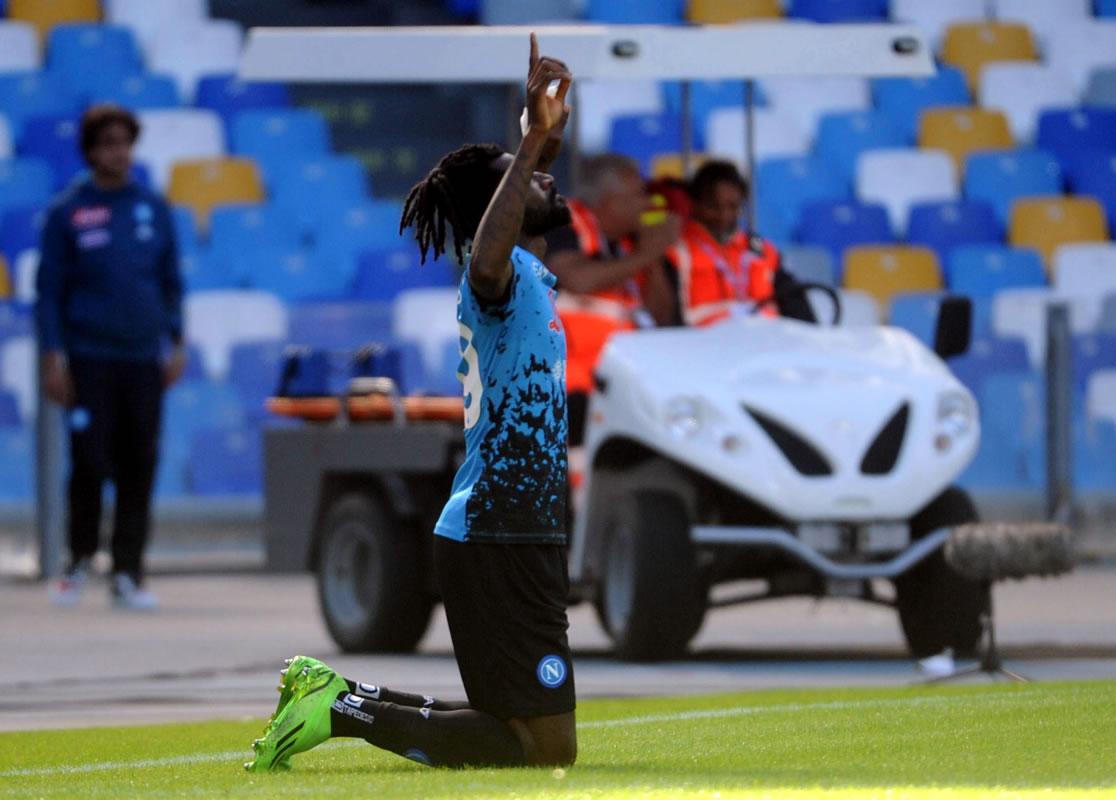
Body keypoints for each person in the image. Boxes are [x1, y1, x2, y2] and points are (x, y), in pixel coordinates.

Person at [246, 34, 577, 772]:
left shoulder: (527, 273)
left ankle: (336, 698)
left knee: (528, 737)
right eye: (530, 182)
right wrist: (526, 158)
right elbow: (494, 245)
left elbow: (516, 225)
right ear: (503, 204)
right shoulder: (491, 282)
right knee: (542, 750)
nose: (554, 187)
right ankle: (340, 707)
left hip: (521, 528)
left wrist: (537, 136)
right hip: (496, 530)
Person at [37, 104, 186, 611]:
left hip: (143, 359)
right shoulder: (68, 211)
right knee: (89, 460)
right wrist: (51, 356)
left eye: (124, 143)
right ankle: (78, 562)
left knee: (139, 462)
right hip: (89, 357)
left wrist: (178, 342)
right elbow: (49, 293)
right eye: (107, 144)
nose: (117, 152)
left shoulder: (152, 208)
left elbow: (170, 283)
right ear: (90, 150)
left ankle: (128, 572)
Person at [543, 154, 680, 444]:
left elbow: (662, 317)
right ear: (609, 201)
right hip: (564, 394)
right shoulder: (562, 224)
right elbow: (578, 280)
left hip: (621, 390)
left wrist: (651, 255)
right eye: (638, 195)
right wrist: (648, 253)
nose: (646, 204)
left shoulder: (628, 247)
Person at [665, 159, 781, 327]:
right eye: (713, 206)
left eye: (733, 206)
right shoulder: (676, 249)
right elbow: (669, 318)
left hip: (762, 344)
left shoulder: (760, 247)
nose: (723, 215)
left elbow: (794, 304)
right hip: (702, 346)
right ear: (695, 204)